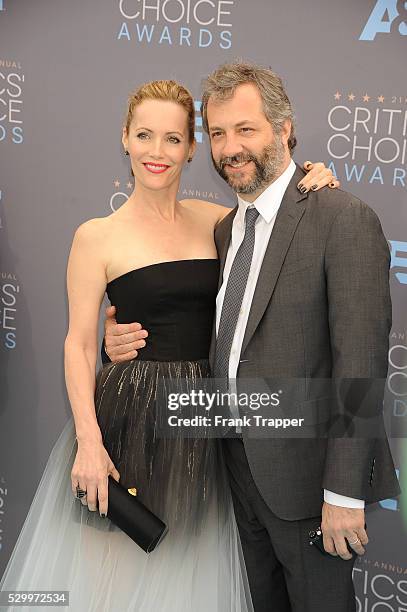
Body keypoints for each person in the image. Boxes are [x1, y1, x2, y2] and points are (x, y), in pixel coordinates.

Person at [0, 78, 335, 612]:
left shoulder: (217, 220)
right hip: (130, 419)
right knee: (111, 576)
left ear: (191, 148)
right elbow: (79, 345)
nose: (158, 152)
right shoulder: (96, 236)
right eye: (145, 135)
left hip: (206, 418)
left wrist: (309, 177)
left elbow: (278, 220)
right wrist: (89, 441)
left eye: (173, 139)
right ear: (125, 139)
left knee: (192, 574)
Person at [104, 63, 401, 612]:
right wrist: (117, 333)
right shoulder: (225, 227)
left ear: (285, 129)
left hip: (309, 485)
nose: (230, 147)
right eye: (217, 133)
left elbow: (359, 367)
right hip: (233, 471)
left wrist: (342, 494)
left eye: (247, 129)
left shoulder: (342, 218)